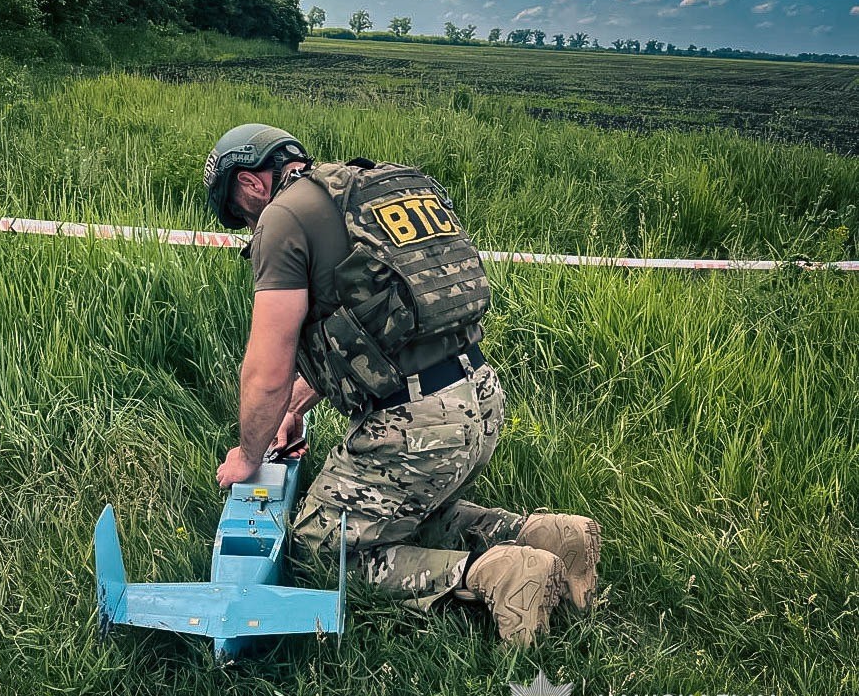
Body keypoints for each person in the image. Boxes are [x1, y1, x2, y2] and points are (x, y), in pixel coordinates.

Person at [204, 123, 600, 644]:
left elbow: (266, 372)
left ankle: (496, 576)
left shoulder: (281, 218)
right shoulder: (362, 195)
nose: (248, 226)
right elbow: (369, 329)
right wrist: (295, 409)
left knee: (322, 550)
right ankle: (546, 534)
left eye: (241, 214)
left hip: (416, 426)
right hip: (479, 397)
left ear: (250, 183)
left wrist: (248, 456)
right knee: (395, 513)